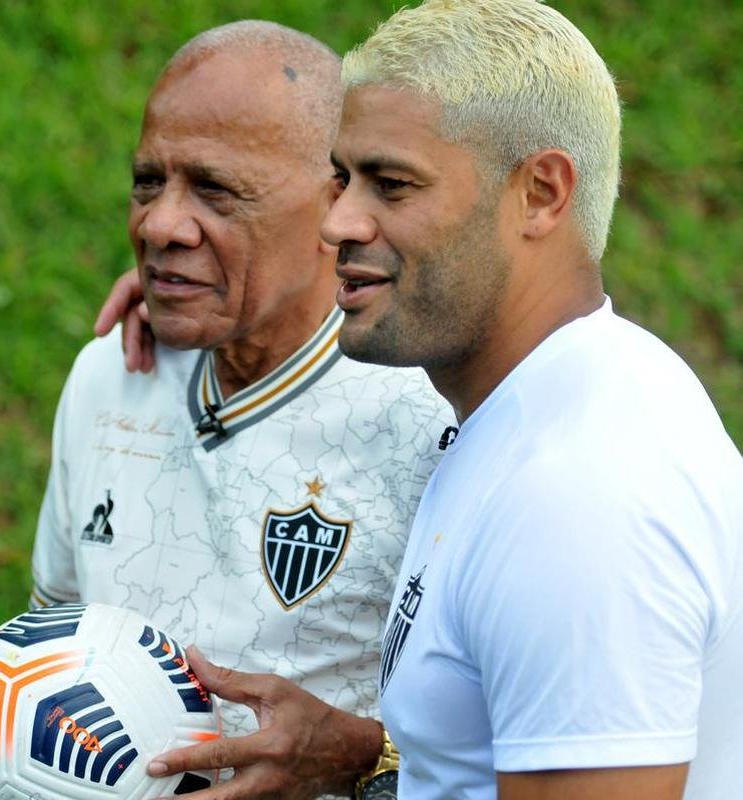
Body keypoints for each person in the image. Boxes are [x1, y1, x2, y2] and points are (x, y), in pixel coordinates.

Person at [0, 21, 454, 800]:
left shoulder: (433, 421)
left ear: (333, 204)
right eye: (148, 182)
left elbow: (524, 746)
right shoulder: (112, 373)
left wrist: (359, 758)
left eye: (214, 190)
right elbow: (56, 634)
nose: (159, 225)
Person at [304, 1, 741, 798]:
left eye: (390, 184)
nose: (336, 220)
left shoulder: (576, 494)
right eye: (341, 176)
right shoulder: (554, 404)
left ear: (540, 192)